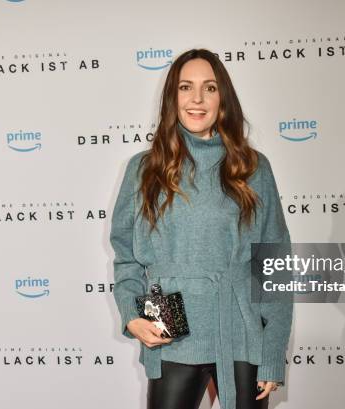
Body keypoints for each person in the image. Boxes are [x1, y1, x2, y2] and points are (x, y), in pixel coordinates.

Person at [110, 48, 293, 409]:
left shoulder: (253, 167)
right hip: (170, 324)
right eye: (185, 87)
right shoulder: (144, 168)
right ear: (171, 97)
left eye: (209, 88)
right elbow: (126, 256)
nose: (196, 99)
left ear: (222, 97)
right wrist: (132, 313)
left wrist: (272, 351)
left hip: (240, 327)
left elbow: (274, 264)